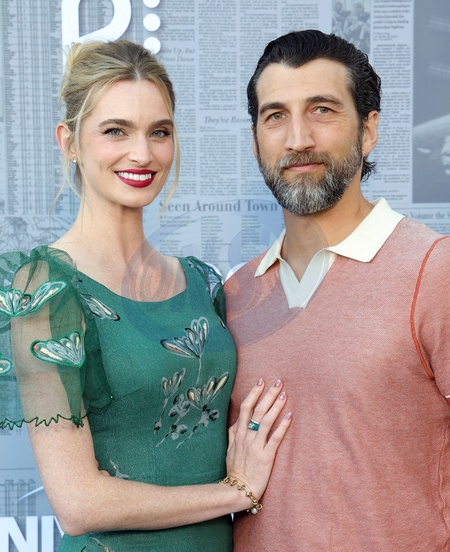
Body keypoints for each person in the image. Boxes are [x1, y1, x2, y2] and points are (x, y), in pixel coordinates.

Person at [0, 39, 291, 551]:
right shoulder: (45, 289)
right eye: (116, 130)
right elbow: (79, 504)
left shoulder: (202, 282)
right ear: (69, 141)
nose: (143, 153)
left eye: (160, 132)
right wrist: (235, 492)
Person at [225, 29, 450, 551]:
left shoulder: (435, 271)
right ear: (256, 139)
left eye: (322, 110)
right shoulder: (235, 294)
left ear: (368, 130)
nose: (298, 138)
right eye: (275, 116)